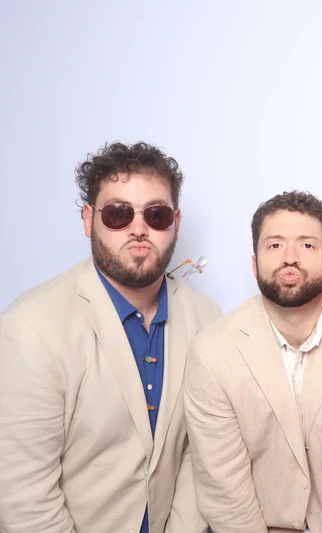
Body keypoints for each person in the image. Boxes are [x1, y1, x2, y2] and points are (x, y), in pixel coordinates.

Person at [0, 142, 221, 533]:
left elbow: (201, 454)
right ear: (89, 220)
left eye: (156, 214)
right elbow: (24, 497)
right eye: (119, 213)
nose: (138, 229)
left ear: (175, 222)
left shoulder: (207, 317)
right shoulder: (30, 329)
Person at [184, 191, 322, 533]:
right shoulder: (211, 352)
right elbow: (224, 490)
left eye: (307, 245)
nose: (290, 258)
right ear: (254, 264)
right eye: (274, 245)